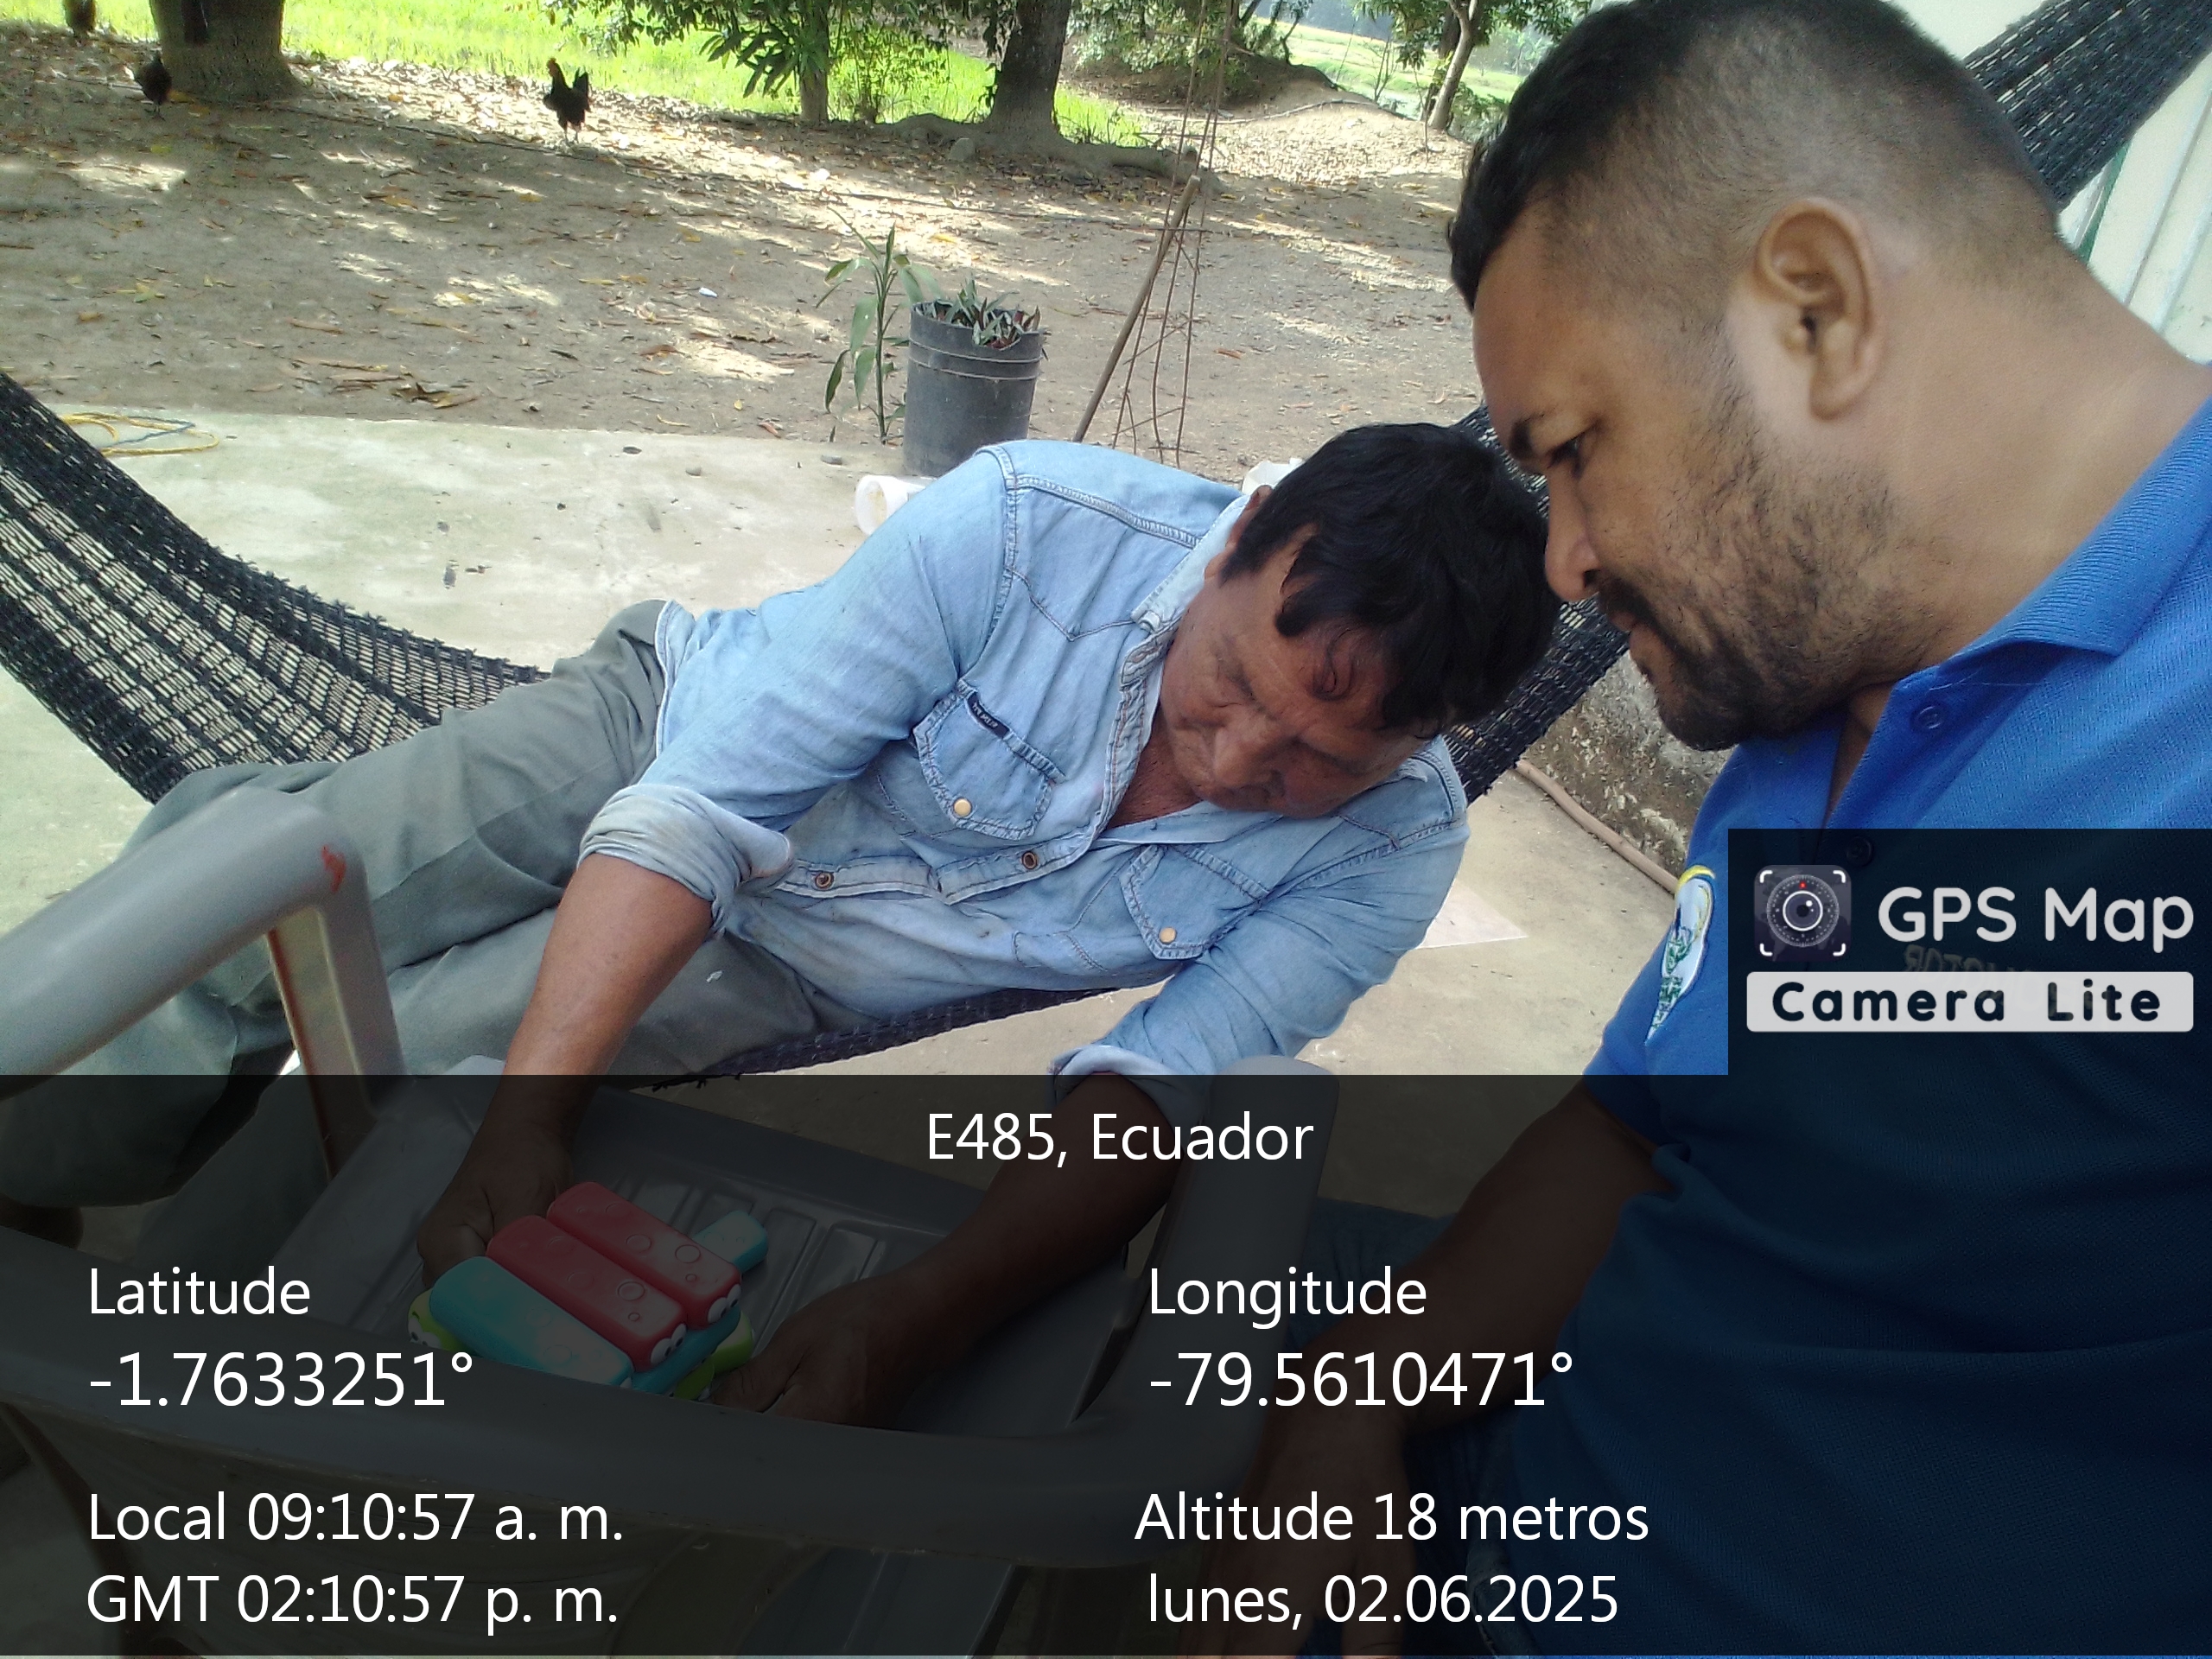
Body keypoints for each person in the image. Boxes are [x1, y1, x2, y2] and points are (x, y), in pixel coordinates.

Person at [1196, 1, 2212, 1653]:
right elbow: (1642, 1127)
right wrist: (1354, 1405)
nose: (1564, 561)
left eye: (1574, 453)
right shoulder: (1821, 692)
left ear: (1815, 311)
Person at [0, 427, 1555, 1400]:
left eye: (1313, 765)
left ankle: (119, 1386)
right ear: (1237, 537)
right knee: (258, 887)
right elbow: (699, 805)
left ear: (1424, 745)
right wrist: (541, 1116)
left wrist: (922, 1312)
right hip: (663, 726)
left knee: (399, 1083)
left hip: (790, 957)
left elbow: (1163, 1090)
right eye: (1230, 687)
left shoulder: (1390, 854)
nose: (1232, 762)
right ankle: (27, 1174)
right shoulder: (1027, 525)